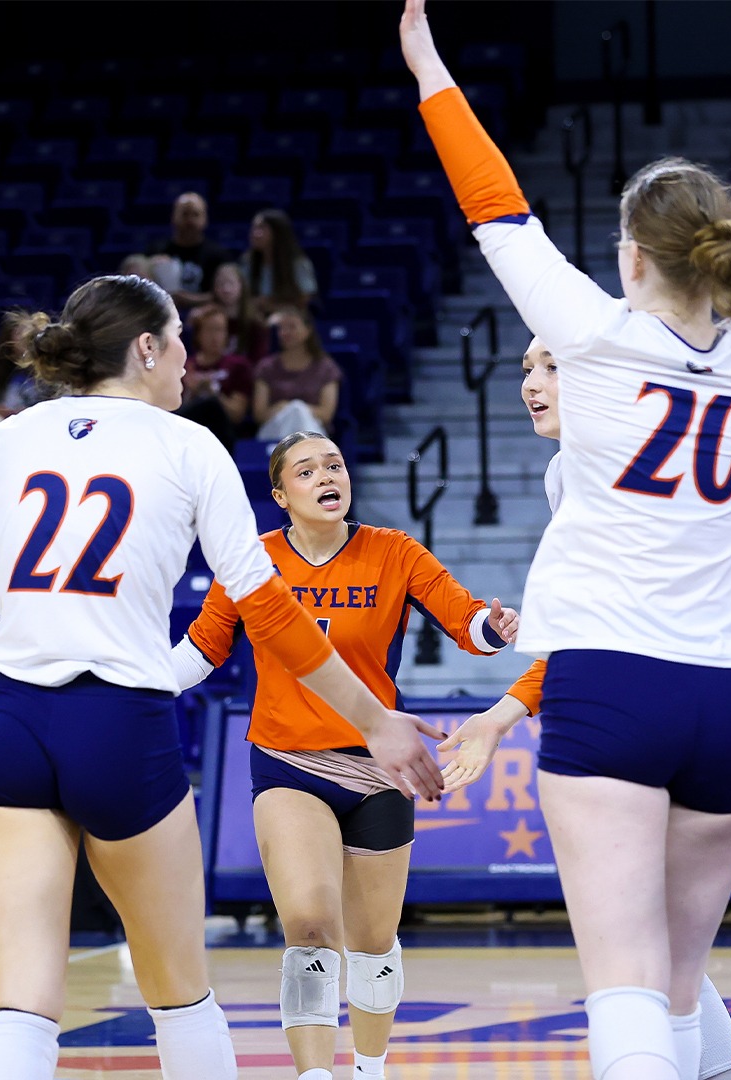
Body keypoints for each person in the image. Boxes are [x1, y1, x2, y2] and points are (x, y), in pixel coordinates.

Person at [401, 0, 731, 1075]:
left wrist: (423, 56)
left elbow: (491, 201)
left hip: (611, 683)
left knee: (627, 985)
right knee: (683, 986)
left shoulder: (588, 340)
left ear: (634, 259)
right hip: (730, 691)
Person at [0, 273, 443, 1080]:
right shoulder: (188, 444)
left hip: (11, 720)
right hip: (120, 723)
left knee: (21, 1007)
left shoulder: (13, 436)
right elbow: (268, 608)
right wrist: (374, 717)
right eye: (181, 338)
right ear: (146, 348)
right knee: (180, 996)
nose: (192, 357)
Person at [439, 339, 731, 1080]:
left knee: (639, 957)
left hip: (659, 696)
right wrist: (503, 714)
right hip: (703, 693)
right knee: (668, 947)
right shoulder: (566, 470)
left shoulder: (625, 451)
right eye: (525, 369)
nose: (532, 385)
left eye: (551, 367)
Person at [166, 430, 516, 1080]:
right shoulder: (251, 559)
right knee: (307, 926)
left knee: (373, 942)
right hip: (288, 763)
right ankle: (314, 1076)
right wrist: (125, 674)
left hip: (380, 767)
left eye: (334, 464)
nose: (327, 476)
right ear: (280, 495)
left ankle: (370, 1068)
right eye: (306, 471)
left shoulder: (394, 551)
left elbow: (466, 623)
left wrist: (491, 629)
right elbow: (200, 651)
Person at [253, 306, 343, 440]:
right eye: (281, 328)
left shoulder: (326, 367)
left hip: (312, 427)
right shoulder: (266, 367)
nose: (285, 332)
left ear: (308, 330)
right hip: (275, 430)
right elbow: (259, 415)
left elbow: (326, 414)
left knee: (298, 411)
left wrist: (294, 408)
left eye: (292, 327)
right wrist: (282, 410)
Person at [178, 304, 256, 448]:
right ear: (198, 334)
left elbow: (237, 415)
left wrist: (213, 393)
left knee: (211, 404)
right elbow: (173, 413)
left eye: (219, 330)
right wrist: (191, 391)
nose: (215, 336)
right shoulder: (183, 366)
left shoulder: (238, 365)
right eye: (209, 330)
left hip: (222, 434)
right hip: (186, 434)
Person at [155, 192, 235, 310]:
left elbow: (226, 294)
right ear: (173, 217)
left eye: (195, 215)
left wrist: (185, 298)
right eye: (185, 214)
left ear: (205, 219)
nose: (190, 221)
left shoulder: (219, 255)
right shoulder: (157, 252)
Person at [245, 208, 318, 315]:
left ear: (277, 232)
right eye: (254, 228)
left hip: (291, 319)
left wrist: (269, 305)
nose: (254, 233)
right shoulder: (247, 262)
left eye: (261, 228)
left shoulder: (298, 263)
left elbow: (305, 300)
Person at [212, 262, 269, 360]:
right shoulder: (207, 320)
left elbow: (259, 360)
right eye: (220, 283)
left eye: (230, 283)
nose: (226, 289)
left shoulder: (255, 323)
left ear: (241, 285)